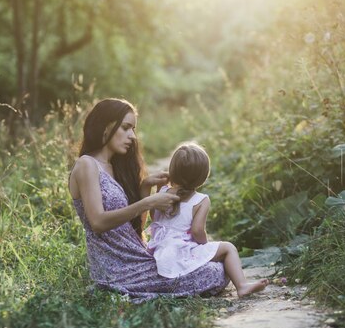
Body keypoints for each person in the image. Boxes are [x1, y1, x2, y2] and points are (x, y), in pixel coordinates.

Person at [69, 98, 229, 302]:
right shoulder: (86, 165)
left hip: (136, 256)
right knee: (216, 273)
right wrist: (149, 202)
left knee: (216, 268)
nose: (132, 136)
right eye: (126, 128)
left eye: (133, 129)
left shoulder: (114, 167)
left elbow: (135, 230)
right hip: (116, 268)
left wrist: (145, 188)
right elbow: (98, 223)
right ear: (105, 125)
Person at [147, 143, 269, 297]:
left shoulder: (163, 191)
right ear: (202, 176)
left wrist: (158, 188)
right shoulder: (201, 199)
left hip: (159, 251)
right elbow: (198, 231)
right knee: (228, 247)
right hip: (181, 252)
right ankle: (242, 286)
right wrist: (205, 245)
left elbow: (154, 217)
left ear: (173, 170)